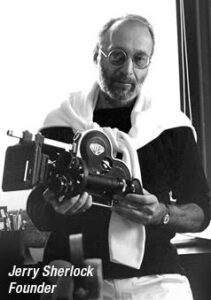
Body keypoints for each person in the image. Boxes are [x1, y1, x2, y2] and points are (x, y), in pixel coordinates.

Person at [27, 14, 211, 299]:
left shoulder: (172, 127)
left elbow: (201, 212)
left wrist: (161, 214)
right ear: (96, 56)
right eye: (117, 56)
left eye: (140, 59)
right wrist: (55, 207)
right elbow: (38, 208)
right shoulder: (60, 124)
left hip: (158, 278)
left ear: (148, 63)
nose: (127, 70)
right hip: (76, 274)